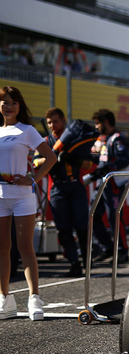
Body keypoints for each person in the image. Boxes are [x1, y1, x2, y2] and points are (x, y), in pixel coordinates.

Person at [0, 86, 56, 320]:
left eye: (13, 102)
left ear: (20, 106)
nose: (9, 105)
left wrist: (33, 178)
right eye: (4, 101)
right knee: (2, 249)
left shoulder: (27, 130)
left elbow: (51, 157)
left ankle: (34, 298)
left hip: (23, 197)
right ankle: (5, 299)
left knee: (25, 248)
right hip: (0, 197)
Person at [39, 108, 90, 277]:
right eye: (49, 122)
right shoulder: (45, 141)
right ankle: (74, 263)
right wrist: (51, 158)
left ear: (63, 120)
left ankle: (87, 259)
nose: (53, 125)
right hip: (57, 190)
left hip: (76, 187)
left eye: (55, 121)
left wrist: (75, 160)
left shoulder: (76, 138)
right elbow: (35, 161)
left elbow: (90, 164)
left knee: (82, 226)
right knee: (64, 229)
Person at [84, 108, 129, 263]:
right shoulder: (101, 139)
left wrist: (107, 168)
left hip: (114, 184)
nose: (96, 126)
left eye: (97, 123)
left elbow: (124, 159)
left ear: (105, 122)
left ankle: (122, 251)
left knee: (115, 217)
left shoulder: (117, 138)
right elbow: (94, 156)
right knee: (93, 214)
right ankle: (106, 247)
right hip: (101, 183)